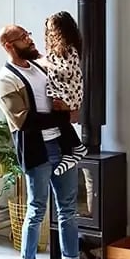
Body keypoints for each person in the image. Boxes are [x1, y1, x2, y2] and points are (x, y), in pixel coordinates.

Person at [0, 24, 99, 259]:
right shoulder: (4, 79)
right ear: (8, 45)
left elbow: (63, 90)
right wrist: (65, 116)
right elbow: (25, 120)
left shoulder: (41, 66)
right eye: (23, 37)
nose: (30, 39)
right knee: (37, 209)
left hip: (62, 146)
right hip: (37, 151)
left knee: (68, 209)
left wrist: (70, 106)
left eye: (28, 34)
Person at [40, 11, 88, 176]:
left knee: (60, 120)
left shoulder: (68, 49)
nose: (51, 33)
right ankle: (70, 153)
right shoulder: (60, 50)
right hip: (64, 92)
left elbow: (66, 71)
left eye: (53, 29)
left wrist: (47, 64)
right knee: (60, 122)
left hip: (67, 93)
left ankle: (74, 150)